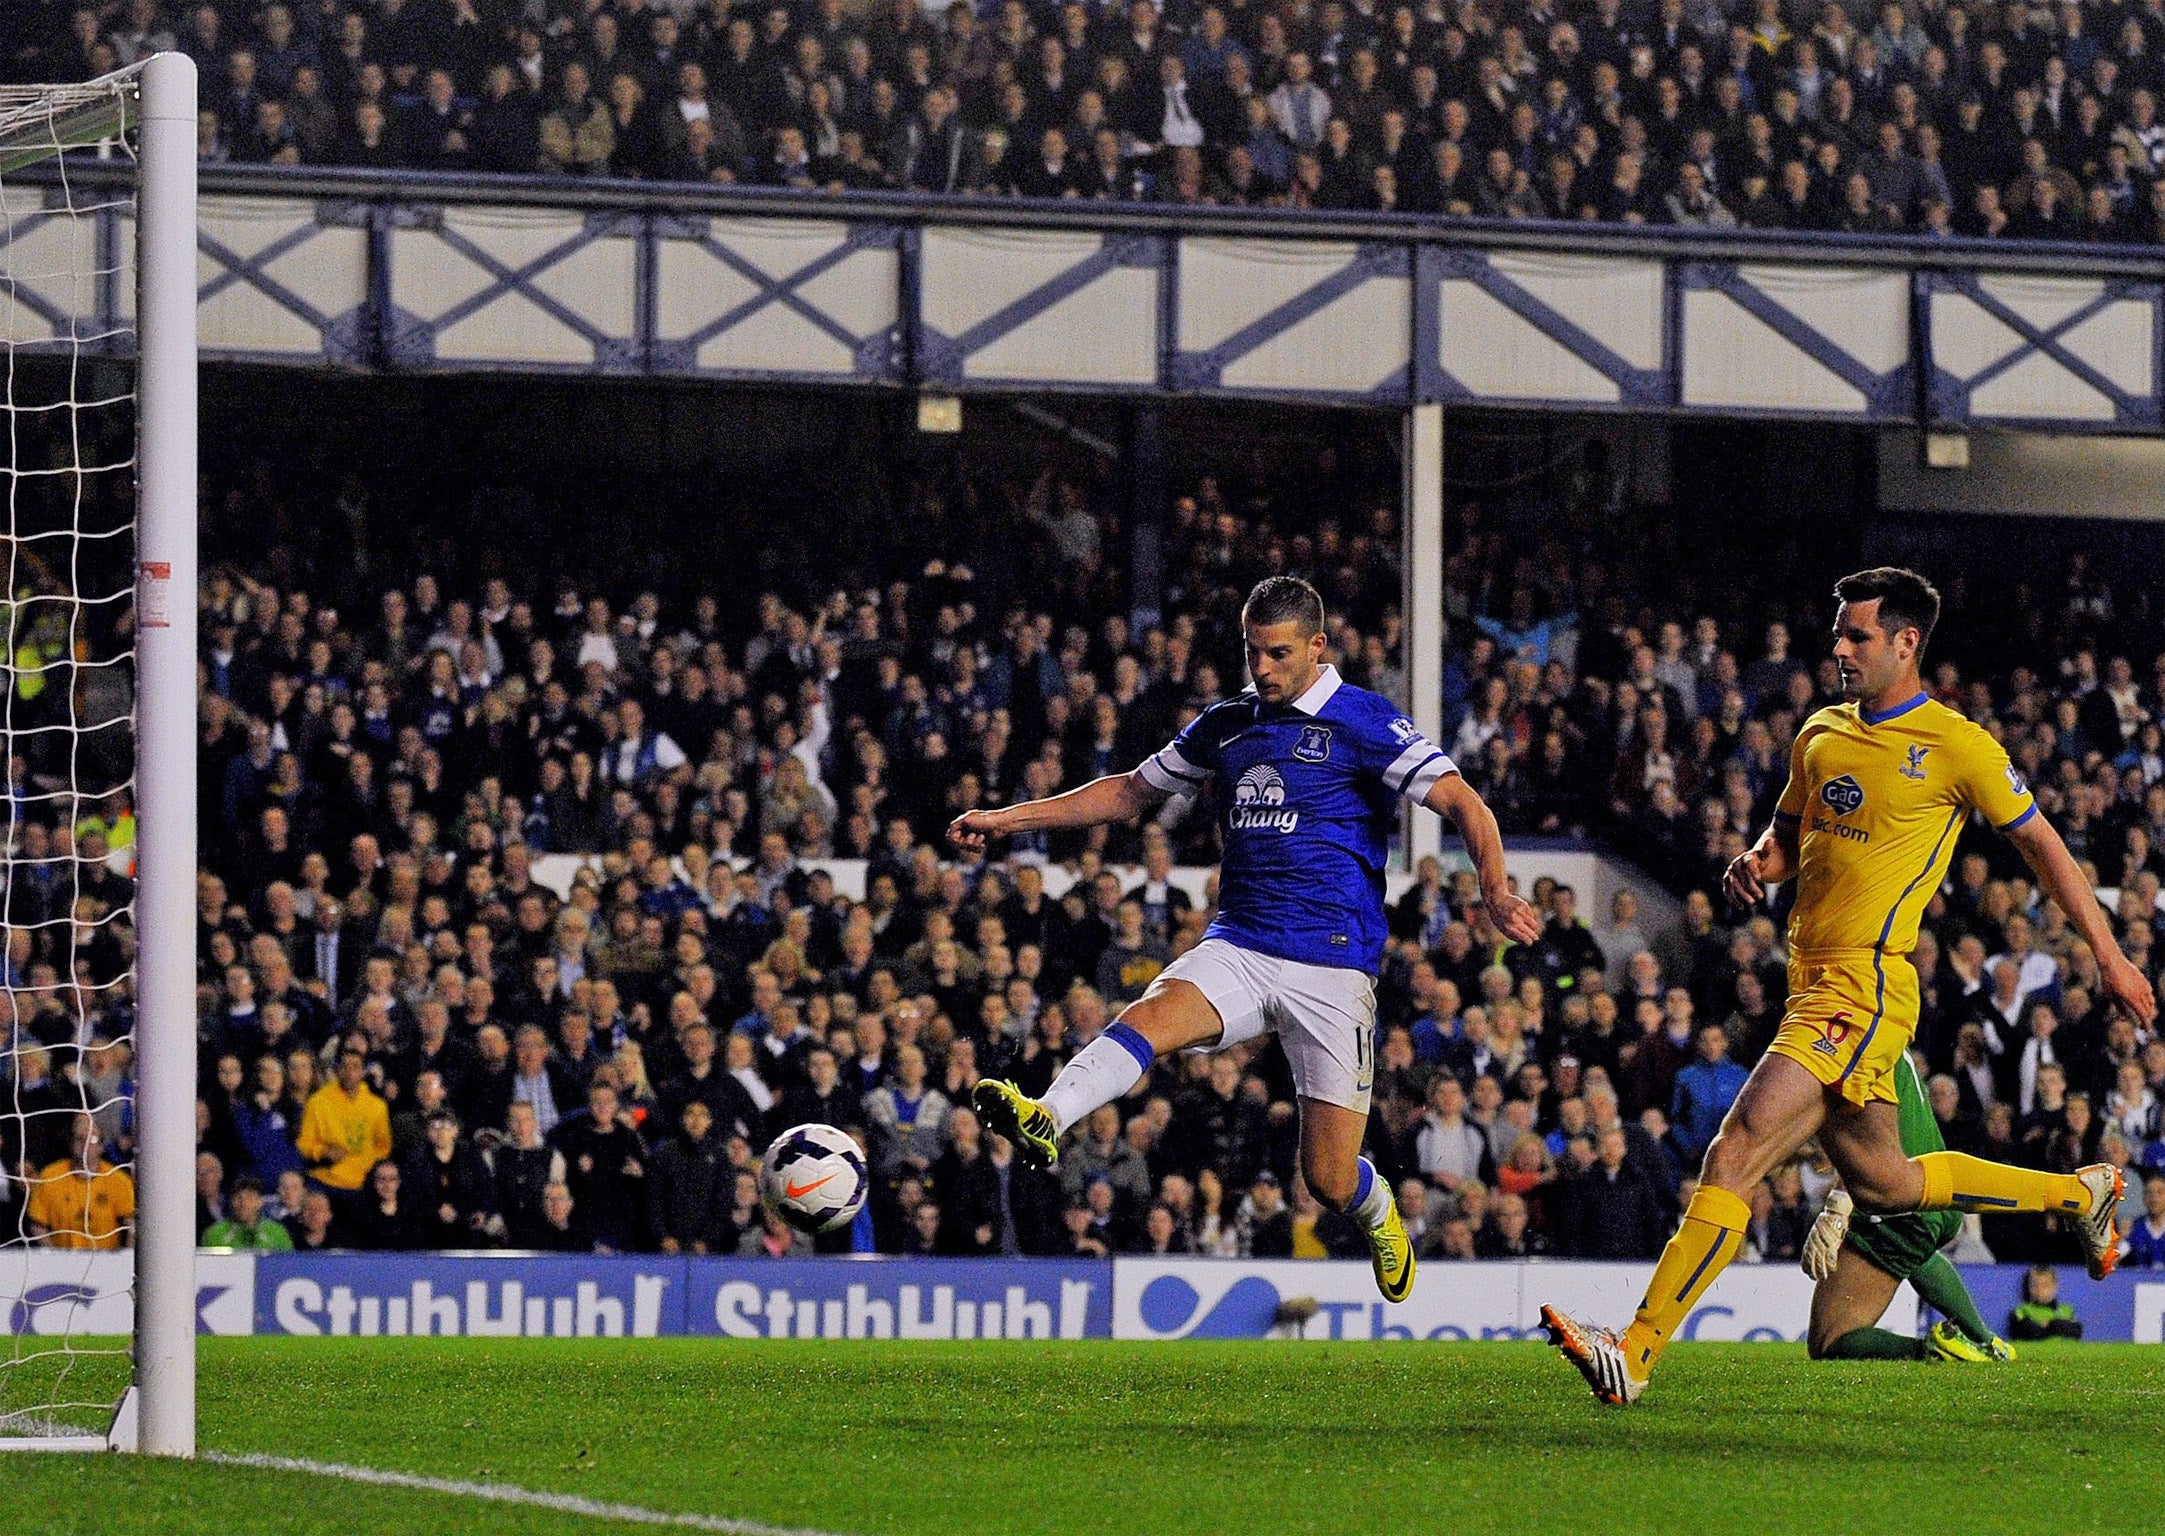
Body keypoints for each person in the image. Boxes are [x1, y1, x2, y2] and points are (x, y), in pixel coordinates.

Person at [1544, 567, 2155, 1404]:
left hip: (1864, 984)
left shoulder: (1956, 745)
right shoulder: (1821, 732)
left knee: (1738, 1147)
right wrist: (1758, 862)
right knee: (1888, 1183)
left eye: (1856, 634)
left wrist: (2110, 956)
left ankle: (1637, 1351)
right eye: (1838, 632)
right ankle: (2079, 1192)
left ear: (1905, 643)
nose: (1837, 647)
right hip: (1809, 979)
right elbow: (1790, 830)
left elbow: (2045, 849)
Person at [955, 575, 1541, 1304]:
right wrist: (1005, 820)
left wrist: (1491, 887)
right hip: (1241, 944)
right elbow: (1130, 792)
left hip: (1333, 964)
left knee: (1326, 1180)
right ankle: (1048, 1115)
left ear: (1317, 648)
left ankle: (1375, 1206)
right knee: (1148, 1013)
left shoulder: (1361, 720)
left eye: (1277, 653)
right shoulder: (1227, 723)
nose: (1260, 668)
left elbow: (1462, 800)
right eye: (1250, 651)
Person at [1799, 1052, 2012, 1362]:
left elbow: (1872, 1134)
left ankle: (1935, 1350)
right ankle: (1988, 1341)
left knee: (1830, 1341)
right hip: (1938, 1189)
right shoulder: (1894, 1038)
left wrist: (1838, 1205)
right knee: (1916, 1255)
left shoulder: (1855, 1039)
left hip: (1896, 1197)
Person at [25, 1114, 135, 1249]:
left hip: (105, 1261)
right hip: (61, 1261)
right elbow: (37, 1225)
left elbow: (132, 1224)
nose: (86, 1144)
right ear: (71, 1143)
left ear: (101, 1146)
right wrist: (53, 1257)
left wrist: (125, 1258)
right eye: (80, 1139)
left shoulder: (118, 1179)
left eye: (92, 1139)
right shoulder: (50, 1176)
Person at [201, 1173, 296, 1251]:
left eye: (250, 1198)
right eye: (238, 1198)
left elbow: (288, 1266)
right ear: (231, 1202)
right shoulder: (214, 1233)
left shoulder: (277, 1232)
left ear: (260, 1202)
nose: (243, 1203)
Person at [2005, 1265, 2082, 1341]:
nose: (2039, 1290)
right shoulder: (2021, 1310)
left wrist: (2051, 1324)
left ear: (2054, 1286)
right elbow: (2029, 1333)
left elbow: (2077, 1331)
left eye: (2045, 1285)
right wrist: (2058, 1327)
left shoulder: (2066, 1310)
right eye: (2034, 1285)